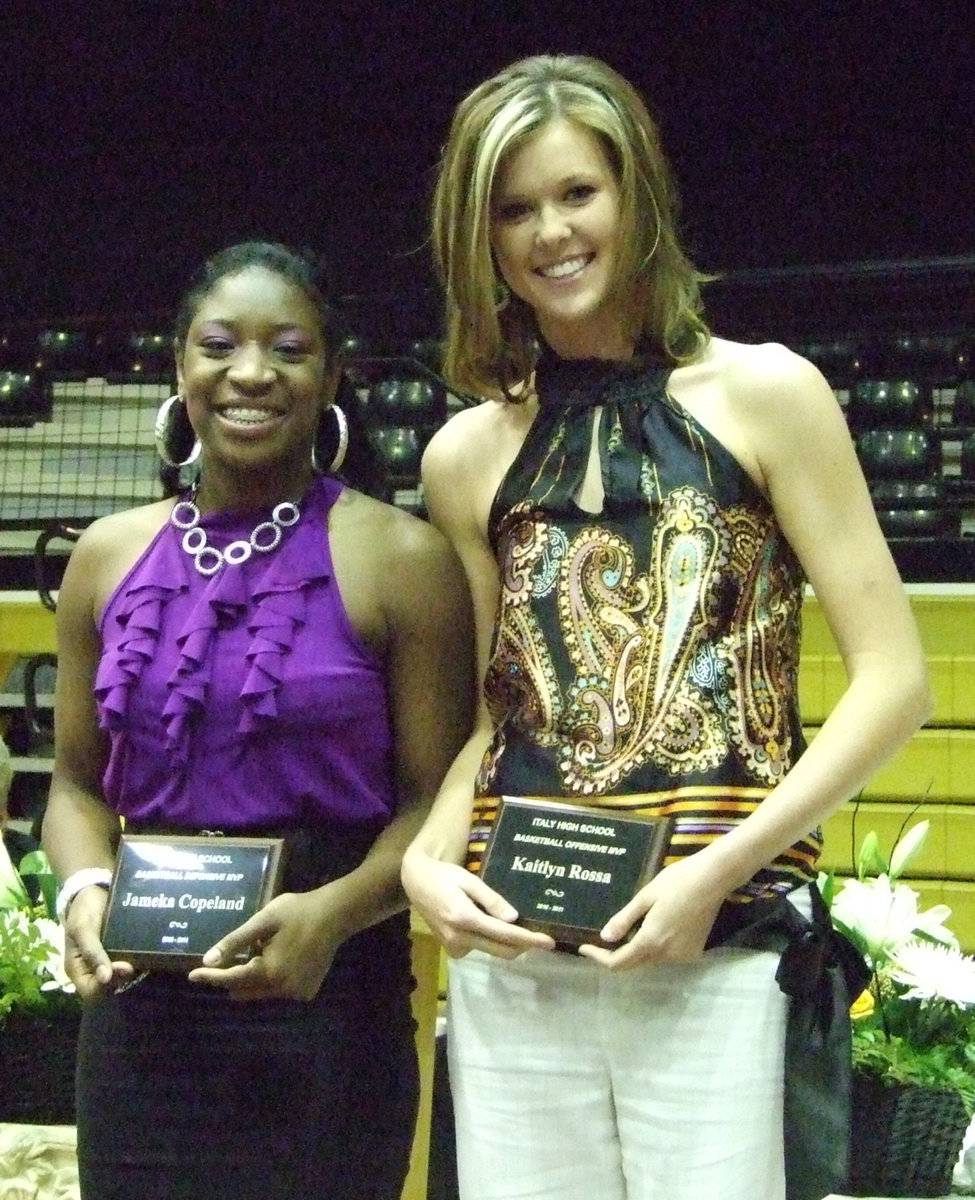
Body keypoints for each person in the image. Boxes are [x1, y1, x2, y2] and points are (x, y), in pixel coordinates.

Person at [400, 54, 931, 1200]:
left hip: (720, 948)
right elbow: (499, 716)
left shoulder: (769, 393)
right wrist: (424, 860)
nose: (550, 231)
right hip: (518, 956)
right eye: (514, 209)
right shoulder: (463, 456)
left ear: (635, 194)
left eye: (576, 193)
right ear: (480, 238)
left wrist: (715, 873)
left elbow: (897, 684)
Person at [42, 241, 474, 1200]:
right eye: (219, 345)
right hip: (140, 1016)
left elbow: (435, 802)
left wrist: (333, 916)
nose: (250, 373)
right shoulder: (106, 558)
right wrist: (81, 892)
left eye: (287, 349)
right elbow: (74, 785)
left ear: (331, 378)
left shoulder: (404, 559)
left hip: (327, 1003)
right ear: (179, 368)